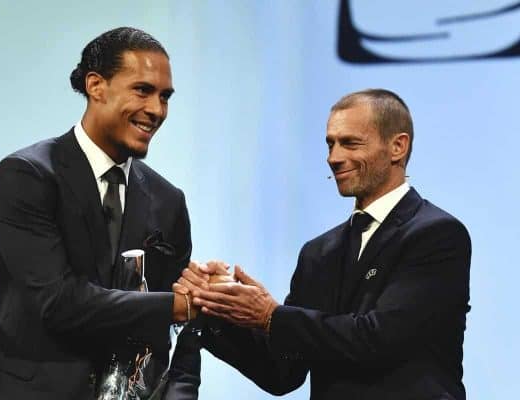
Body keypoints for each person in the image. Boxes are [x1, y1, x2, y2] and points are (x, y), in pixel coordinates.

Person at [177, 89, 471, 399]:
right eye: (330, 144)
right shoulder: (319, 253)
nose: (334, 158)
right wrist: (216, 306)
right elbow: (282, 372)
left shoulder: (437, 235)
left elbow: (378, 340)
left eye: (350, 143)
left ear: (398, 146)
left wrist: (271, 316)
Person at [0, 27, 200, 400]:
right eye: (143, 90)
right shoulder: (27, 175)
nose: (157, 110)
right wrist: (177, 306)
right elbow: (59, 303)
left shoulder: (168, 200)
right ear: (96, 86)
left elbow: (177, 335)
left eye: (165, 97)